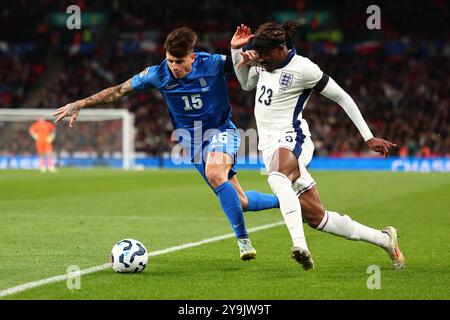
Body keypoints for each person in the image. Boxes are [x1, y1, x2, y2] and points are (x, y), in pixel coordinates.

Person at [52, 27, 280, 261]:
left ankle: (243, 241)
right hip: (193, 144)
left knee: (214, 172)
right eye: (170, 60)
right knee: (240, 202)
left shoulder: (212, 63)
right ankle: (287, 201)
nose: (174, 66)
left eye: (179, 61)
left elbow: (245, 65)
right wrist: (81, 103)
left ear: (193, 56)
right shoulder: (157, 73)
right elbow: (119, 90)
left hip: (221, 130)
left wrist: (249, 56)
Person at [230, 22, 405, 270]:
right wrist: (236, 50)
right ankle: (385, 240)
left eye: (265, 55)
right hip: (269, 147)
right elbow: (246, 83)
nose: (261, 59)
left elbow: (342, 96)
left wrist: (368, 136)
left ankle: (300, 246)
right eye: (259, 55)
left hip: (294, 138)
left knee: (277, 178)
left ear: (281, 48)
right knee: (317, 217)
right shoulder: (264, 62)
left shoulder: (303, 69)